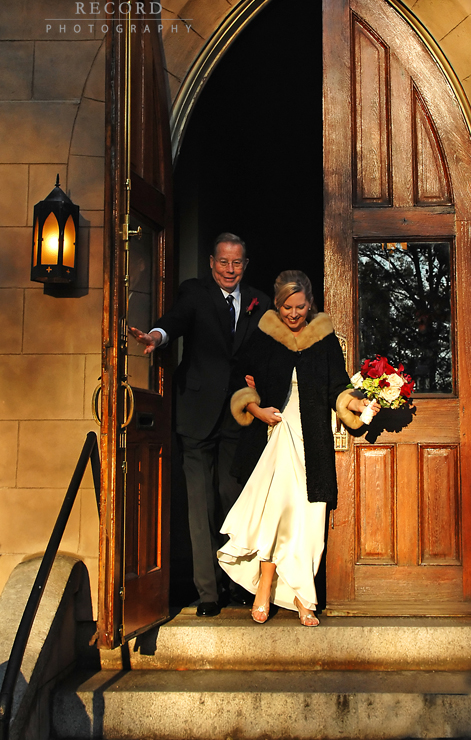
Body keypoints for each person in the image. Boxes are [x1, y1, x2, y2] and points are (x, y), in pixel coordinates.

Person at [217, 270, 379, 626]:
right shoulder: (263, 336)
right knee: (275, 513)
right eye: (287, 307)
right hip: (275, 437)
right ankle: (266, 585)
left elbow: (338, 386)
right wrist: (256, 409)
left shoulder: (324, 339)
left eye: (300, 307)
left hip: (313, 442)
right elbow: (237, 379)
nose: (294, 314)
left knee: (308, 516)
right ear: (278, 305)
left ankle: (303, 596)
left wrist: (358, 405)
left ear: (310, 305)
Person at [129, 232, 271, 617]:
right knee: (200, 505)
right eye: (223, 262)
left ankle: (237, 581)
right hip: (195, 414)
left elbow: (271, 351)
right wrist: (157, 337)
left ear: (245, 265)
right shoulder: (194, 293)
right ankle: (208, 592)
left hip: (239, 416)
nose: (229, 269)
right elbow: (173, 322)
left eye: (237, 263)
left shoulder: (261, 302)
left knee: (233, 498)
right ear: (211, 262)